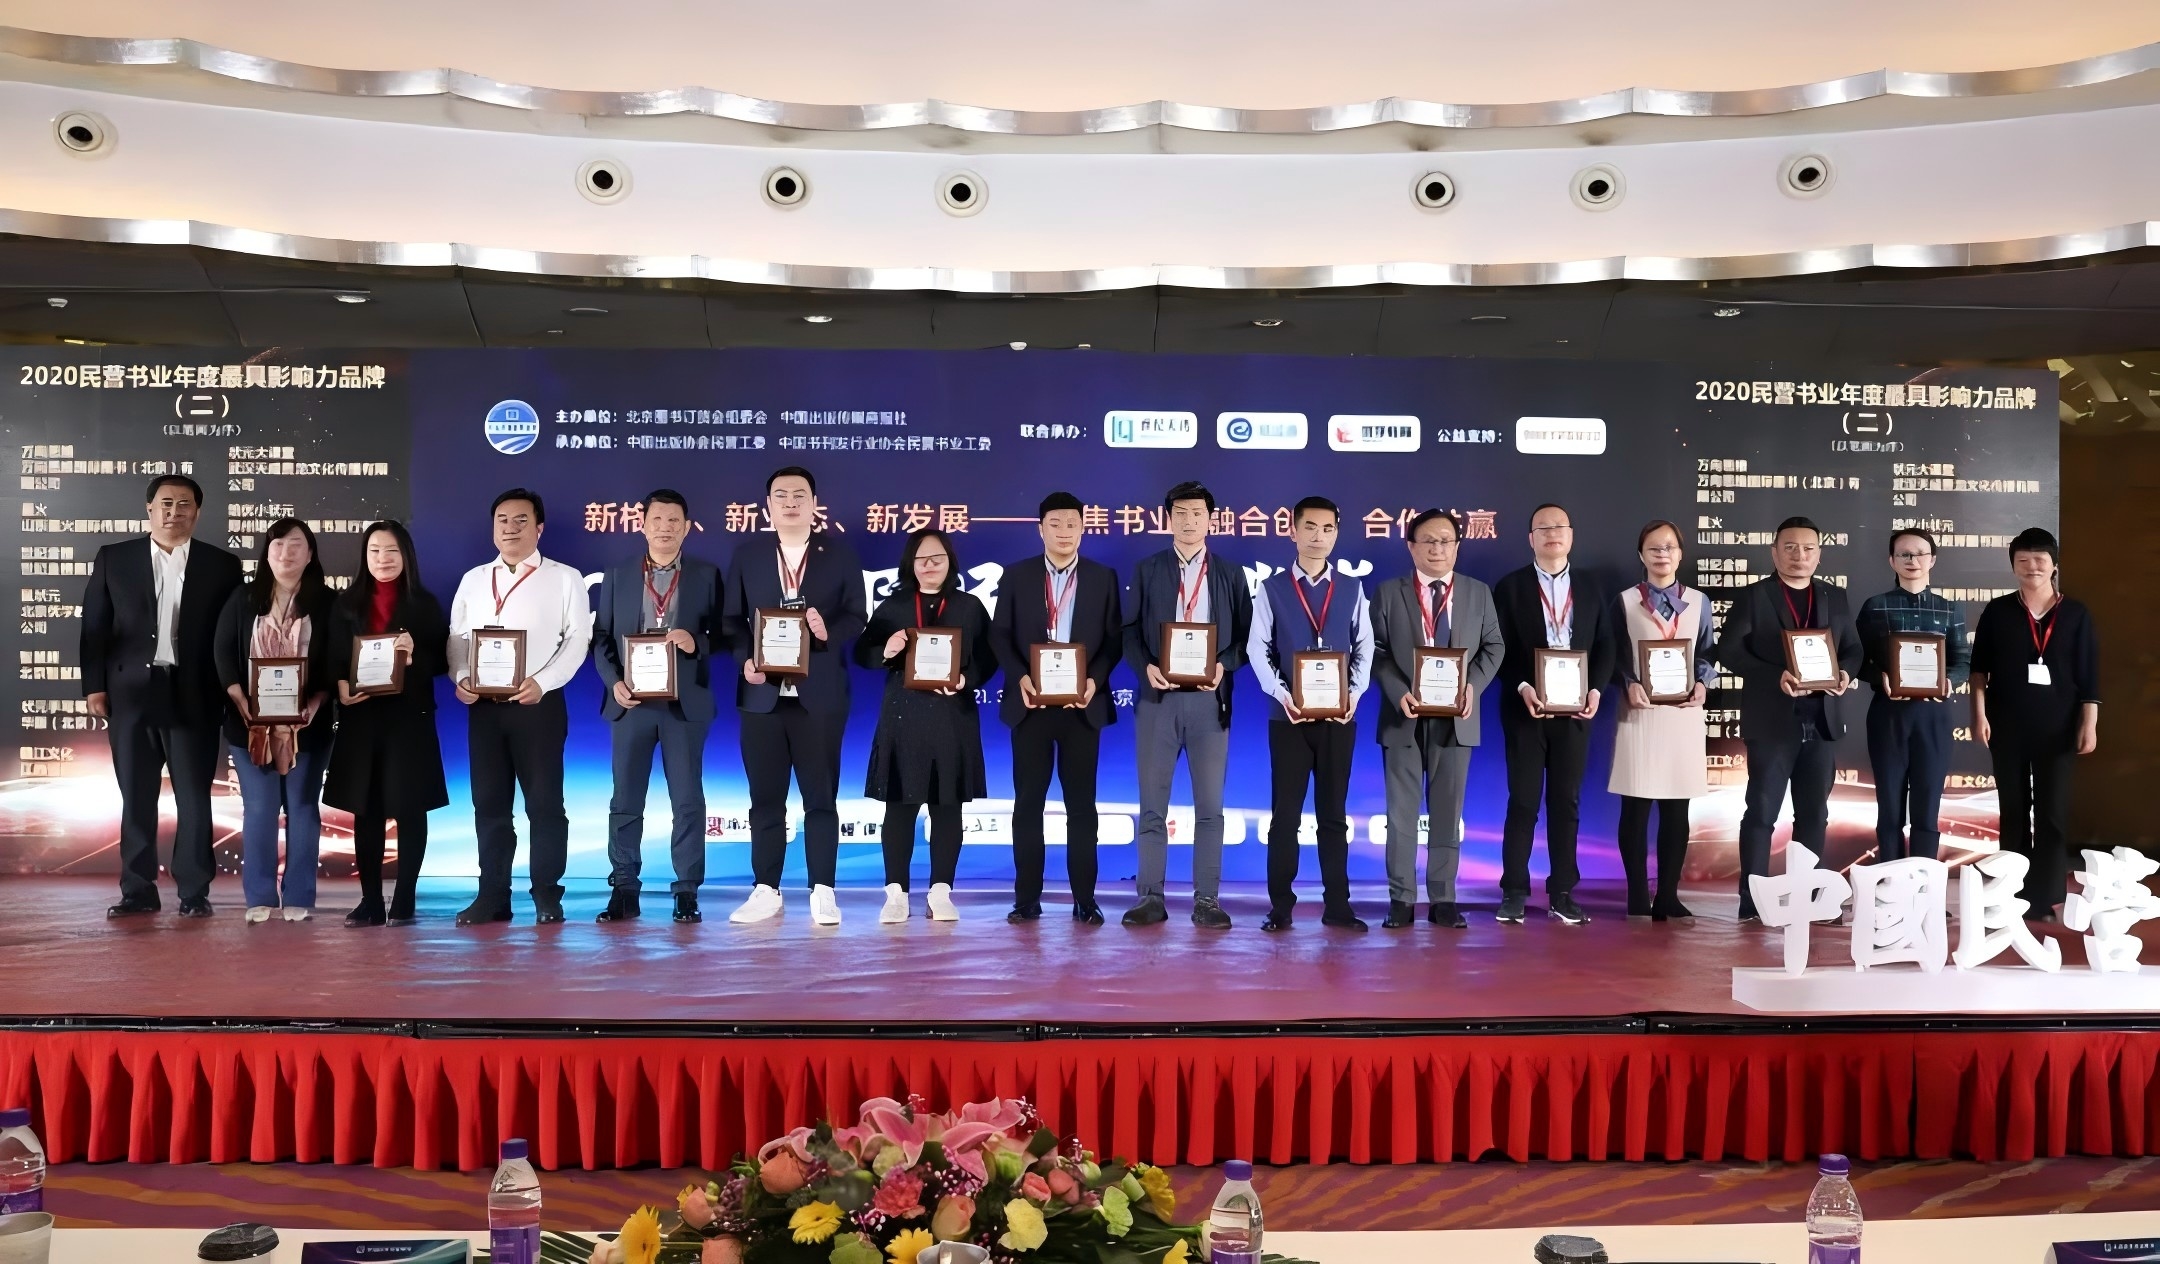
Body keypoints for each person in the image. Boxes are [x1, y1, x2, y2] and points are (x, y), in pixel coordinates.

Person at [81, 474, 244, 919]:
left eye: (185, 504)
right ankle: (137, 889)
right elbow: (94, 627)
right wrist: (95, 685)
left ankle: (194, 890)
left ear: (198, 511)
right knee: (136, 795)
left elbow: (230, 636)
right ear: (149, 509)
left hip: (195, 692)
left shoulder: (222, 565)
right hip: (130, 693)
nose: (175, 512)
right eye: (166, 503)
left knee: (194, 796)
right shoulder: (115, 558)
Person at [720, 466, 867, 925]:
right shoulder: (748, 555)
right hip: (761, 695)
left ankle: (823, 889)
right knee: (765, 798)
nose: (790, 502)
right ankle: (766, 889)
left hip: (818, 695)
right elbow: (730, 621)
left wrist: (826, 631)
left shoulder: (839, 555)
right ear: (768, 506)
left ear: (814, 503)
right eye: (780, 495)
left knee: (820, 798)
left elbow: (857, 616)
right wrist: (745, 658)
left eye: (799, 494)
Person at [446, 488, 592, 925]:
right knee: (489, 804)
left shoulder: (565, 577)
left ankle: (547, 895)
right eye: (503, 520)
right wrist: (461, 676)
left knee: (544, 805)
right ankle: (493, 895)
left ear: (539, 528)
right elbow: (457, 638)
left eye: (521, 520)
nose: (510, 527)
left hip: (537, 705)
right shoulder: (474, 579)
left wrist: (543, 683)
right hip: (484, 708)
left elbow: (578, 640)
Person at [1717, 515, 1862, 922]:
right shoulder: (1755, 596)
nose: (1800, 555)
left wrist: (1845, 673)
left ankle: (1811, 897)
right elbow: (1729, 651)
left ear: (1819, 554)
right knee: (1762, 813)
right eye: (1791, 547)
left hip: (1822, 721)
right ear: (1774, 552)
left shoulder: (1835, 597)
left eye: (1808, 548)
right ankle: (1752, 899)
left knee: (1814, 814)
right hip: (1772, 721)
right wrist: (1773, 675)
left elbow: (1853, 649)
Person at [1121, 480, 1252, 929]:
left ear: (1211, 520)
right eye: (1181, 513)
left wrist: (1223, 665)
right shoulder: (1148, 569)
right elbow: (1129, 631)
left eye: (1198, 513)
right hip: (1158, 699)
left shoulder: (1230, 574)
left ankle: (1207, 900)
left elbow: (1246, 639)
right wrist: (1145, 667)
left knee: (1210, 806)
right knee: (1152, 805)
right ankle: (1150, 898)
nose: (1190, 521)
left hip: (1209, 702)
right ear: (1169, 519)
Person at [591, 489, 723, 925]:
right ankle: (624, 888)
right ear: (643, 525)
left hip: (683, 704)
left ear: (687, 528)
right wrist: (614, 683)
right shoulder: (618, 574)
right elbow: (602, 637)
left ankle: (686, 890)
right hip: (631, 704)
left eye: (674, 521)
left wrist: (696, 641)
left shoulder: (706, 575)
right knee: (625, 800)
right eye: (657, 519)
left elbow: (726, 635)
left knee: (687, 801)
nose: (665, 527)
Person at [990, 491, 1123, 925]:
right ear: (1040, 529)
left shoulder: (1102, 577)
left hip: (1082, 707)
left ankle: (1085, 899)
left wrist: (1093, 680)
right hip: (1030, 705)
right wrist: (1020, 677)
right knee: (1028, 804)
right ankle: (1027, 899)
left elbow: (1113, 641)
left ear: (1083, 528)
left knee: (1082, 807)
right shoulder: (1017, 575)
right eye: (1055, 524)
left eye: (1072, 524)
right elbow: (999, 635)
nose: (1064, 532)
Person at [1371, 509, 1504, 929]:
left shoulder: (1478, 592)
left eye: (1446, 540)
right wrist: (1399, 691)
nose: (1437, 548)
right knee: (1401, 815)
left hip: (1456, 719)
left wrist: (1472, 688)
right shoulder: (1387, 592)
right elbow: (1375, 651)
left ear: (1457, 546)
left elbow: (1494, 646)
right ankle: (1401, 899)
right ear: (1411, 547)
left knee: (1448, 812)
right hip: (1404, 717)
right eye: (1428, 540)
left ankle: (1443, 898)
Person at [856, 529, 996, 922]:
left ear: (950, 562)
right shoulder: (895, 605)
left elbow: (989, 657)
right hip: (904, 715)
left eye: (937, 558)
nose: (930, 565)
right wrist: (887, 650)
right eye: (921, 559)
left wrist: (967, 679)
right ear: (910, 565)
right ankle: (896, 893)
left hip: (953, 715)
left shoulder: (969, 606)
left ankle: (941, 891)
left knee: (948, 806)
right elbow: (863, 652)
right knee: (899, 807)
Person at [1247, 496, 1373, 932]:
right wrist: (1282, 694)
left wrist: (1354, 694)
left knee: (1333, 816)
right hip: (1289, 719)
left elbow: (1364, 646)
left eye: (1328, 528)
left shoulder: (1352, 589)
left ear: (1337, 533)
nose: (1319, 536)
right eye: (1310, 527)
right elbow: (1258, 649)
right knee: (1285, 816)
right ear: (1293, 531)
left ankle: (1338, 906)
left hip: (1339, 719)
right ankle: (1280, 907)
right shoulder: (1272, 589)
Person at [323, 521, 449, 927]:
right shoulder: (345, 604)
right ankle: (371, 900)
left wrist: (414, 656)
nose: (382, 559)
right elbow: (333, 658)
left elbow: (444, 661)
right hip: (362, 719)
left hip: (409, 719)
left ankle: (405, 897)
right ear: (365, 556)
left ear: (406, 555)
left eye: (391, 551)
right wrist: (341, 687)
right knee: (367, 809)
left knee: (411, 808)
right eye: (374, 551)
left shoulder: (424, 604)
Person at [1493, 503, 1614, 925]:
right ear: (1531, 539)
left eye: (1559, 526)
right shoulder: (1510, 587)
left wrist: (1596, 690)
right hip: (1525, 709)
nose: (1552, 533)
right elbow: (1498, 647)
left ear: (1571, 535)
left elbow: (1606, 644)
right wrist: (1522, 686)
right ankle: (1514, 890)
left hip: (1576, 711)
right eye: (1542, 528)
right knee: (1523, 801)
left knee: (1566, 801)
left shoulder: (1592, 587)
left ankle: (1562, 891)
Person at [1970, 527, 2100, 918]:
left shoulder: (2075, 614)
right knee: (2012, 810)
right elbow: (1978, 671)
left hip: (2059, 728)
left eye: (2040, 560)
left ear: (2054, 565)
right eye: (2023, 561)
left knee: (2052, 813)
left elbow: (2089, 675)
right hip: (2006, 726)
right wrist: (1978, 714)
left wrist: (2089, 723)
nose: (2032, 567)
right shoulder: (1998, 611)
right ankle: (2010, 894)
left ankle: (2044, 898)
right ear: (2013, 566)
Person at [213, 517, 336, 923]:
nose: (286, 553)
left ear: (310, 554)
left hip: (309, 726)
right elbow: (222, 652)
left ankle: (299, 895)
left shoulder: (327, 602)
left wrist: (315, 703)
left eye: (296, 544)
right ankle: (259, 896)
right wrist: (239, 698)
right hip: (250, 724)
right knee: (260, 808)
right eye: (278, 544)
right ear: (267, 554)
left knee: (302, 807)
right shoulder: (243, 598)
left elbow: (336, 659)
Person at [1605, 520, 1716, 920]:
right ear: (1641, 554)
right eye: (1654, 547)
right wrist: (1628, 682)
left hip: (1682, 715)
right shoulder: (1624, 602)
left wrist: (1703, 683)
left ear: (1680, 554)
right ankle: (1637, 894)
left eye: (1669, 547)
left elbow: (1707, 652)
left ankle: (1668, 894)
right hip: (1639, 713)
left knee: (1676, 809)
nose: (1662, 554)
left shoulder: (1700, 602)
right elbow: (1612, 655)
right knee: (1635, 807)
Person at [1856, 528, 1971, 863]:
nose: (1912, 560)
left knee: (1927, 804)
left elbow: (1962, 661)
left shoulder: (1949, 609)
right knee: (1889, 805)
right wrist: (1880, 677)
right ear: (1892, 560)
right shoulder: (1875, 607)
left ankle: (1923, 882)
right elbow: (1857, 659)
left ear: (1932, 559)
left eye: (1920, 554)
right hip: (1888, 714)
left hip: (1933, 716)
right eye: (1904, 554)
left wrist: (1949, 681)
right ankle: (1888, 879)